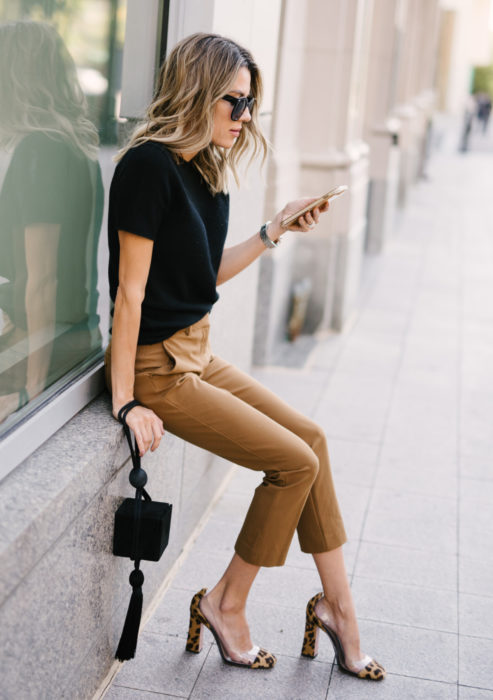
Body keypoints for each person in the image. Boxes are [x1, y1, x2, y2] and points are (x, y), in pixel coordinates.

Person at [105, 33, 385, 680]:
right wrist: (125, 401)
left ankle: (338, 608)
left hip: (195, 353)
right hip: (159, 367)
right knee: (292, 462)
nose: (245, 117)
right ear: (198, 93)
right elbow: (130, 294)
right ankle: (227, 604)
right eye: (234, 102)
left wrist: (272, 231)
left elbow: (200, 279)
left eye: (250, 104)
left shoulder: (202, 168)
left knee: (310, 437)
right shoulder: (147, 168)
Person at [0, 21, 103, 425]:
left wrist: (34, 388)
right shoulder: (72, 143)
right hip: (62, 333)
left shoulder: (41, 151)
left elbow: (44, 280)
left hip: (41, 344)